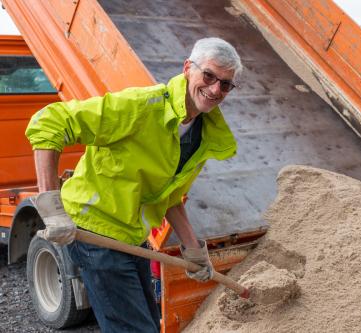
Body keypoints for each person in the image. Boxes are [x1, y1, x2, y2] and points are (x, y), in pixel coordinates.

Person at [26, 37, 242, 333]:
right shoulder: (141, 107)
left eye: (226, 84)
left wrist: (193, 249)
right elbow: (49, 121)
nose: (216, 89)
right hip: (95, 230)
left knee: (149, 325)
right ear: (187, 68)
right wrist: (50, 205)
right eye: (209, 76)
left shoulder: (203, 134)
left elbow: (170, 197)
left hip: (131, 235)